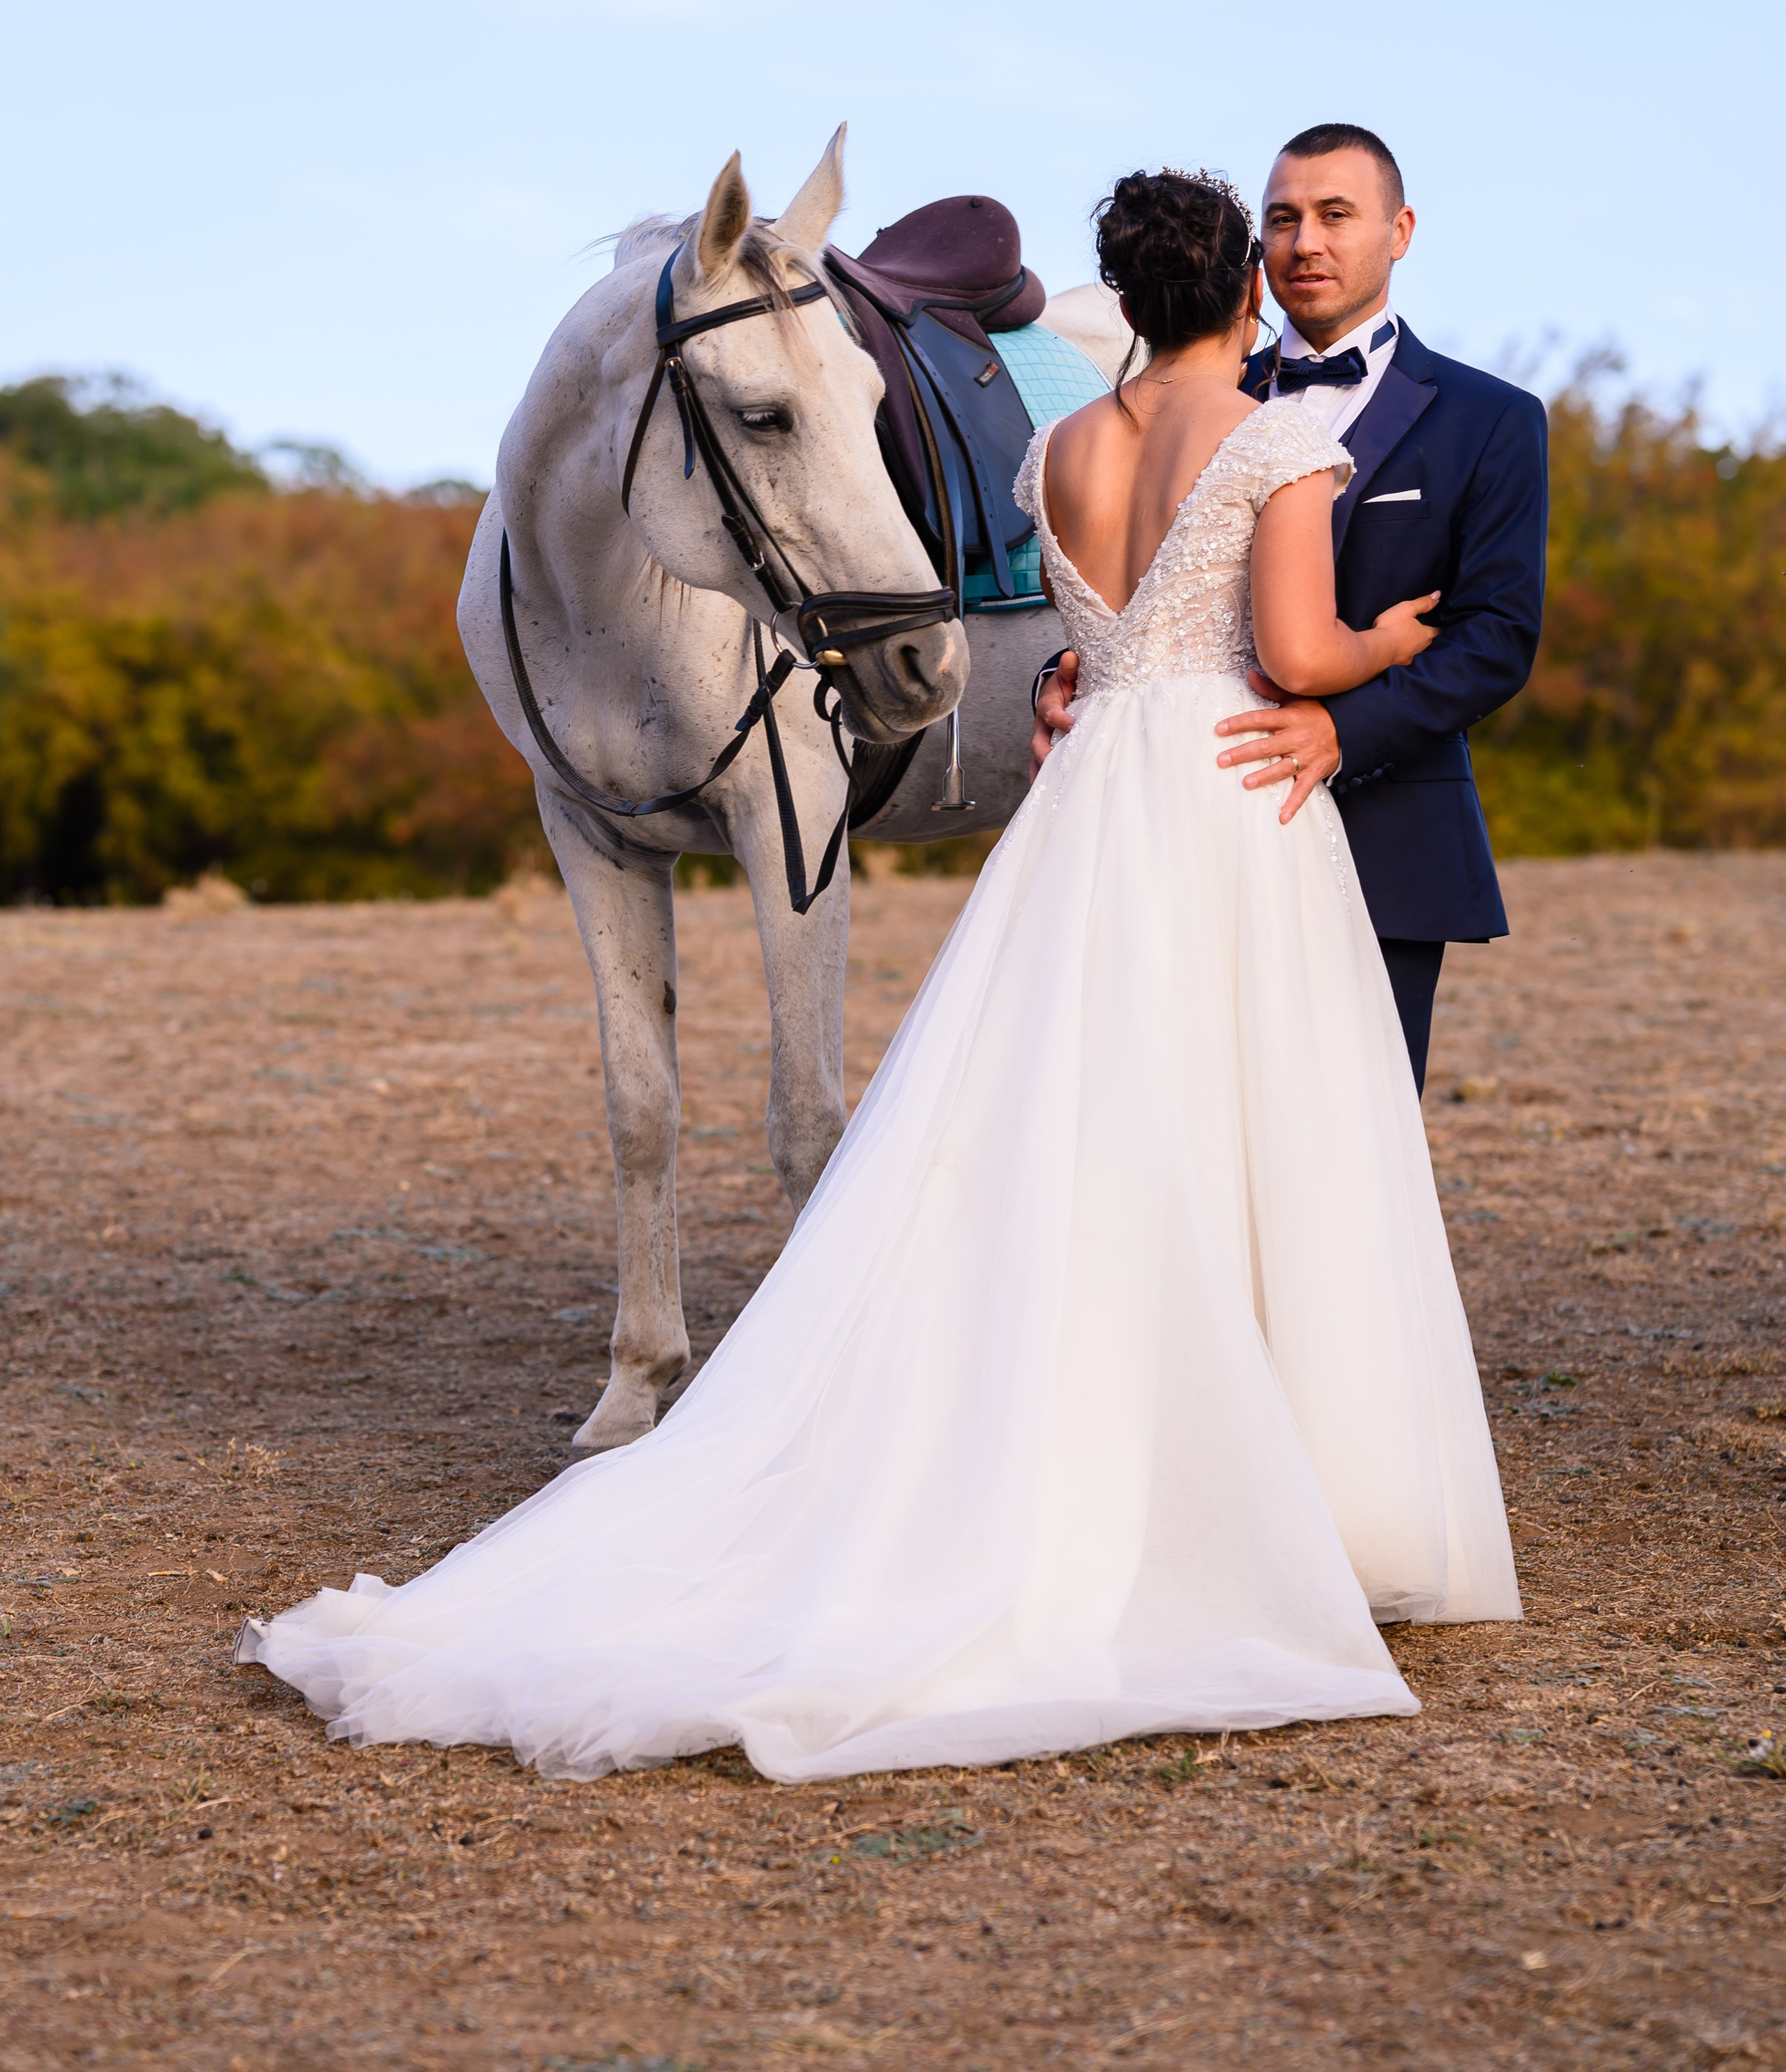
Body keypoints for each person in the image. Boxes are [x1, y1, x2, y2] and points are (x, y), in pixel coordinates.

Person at [237, 167, 1520, 1786]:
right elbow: (1300, 652)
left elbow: (1084, 638)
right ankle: (1248, 1472)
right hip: (1221, 795)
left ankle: (1052, 1444)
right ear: (1244, 296)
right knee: (1242, 1125)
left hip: (1084, 800)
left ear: (1117, 291)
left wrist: (1081, 676)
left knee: (1048, 1128)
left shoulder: (1058, 449)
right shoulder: (1276, 442)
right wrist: (1392, 642)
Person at [1033, 124, 1547, 1095]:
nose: (1305, 240)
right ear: (1253, 263)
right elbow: (1122, 604)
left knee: (1350, 1141)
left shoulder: (1494, 420)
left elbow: (1496, 638)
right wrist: (1059, 681)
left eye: (1335, 215)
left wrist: (1341, 732)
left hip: (1390, 836)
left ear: (1399, 231)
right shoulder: (1184, 401)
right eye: (1282, 219)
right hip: (1186, 829)